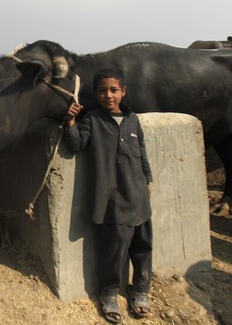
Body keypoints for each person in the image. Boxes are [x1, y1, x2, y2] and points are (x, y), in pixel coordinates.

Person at [64, 68, 153, 324]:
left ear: (123, 91)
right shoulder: (92, 119)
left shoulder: (133, 120)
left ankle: (141, 289)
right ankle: (110, 293)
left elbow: (142, 151)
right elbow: (76, 144)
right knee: (113, 250)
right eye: (102, 91)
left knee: (143, 246)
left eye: (114, 90)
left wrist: (148, 179)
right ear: (96, 94)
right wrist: (70, 122)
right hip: (112, 199)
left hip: (138, 196)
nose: (108, 95)